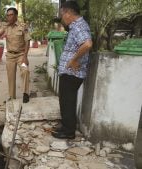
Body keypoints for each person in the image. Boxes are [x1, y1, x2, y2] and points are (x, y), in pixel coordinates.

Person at [52, 1, 92, 139]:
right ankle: (66, 127)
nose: (62, 18)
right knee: (66, 101)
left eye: (62, 15)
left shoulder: (79, 26)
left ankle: (68, 132)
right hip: (69, 72)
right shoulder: (75, 26)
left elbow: (87, 44)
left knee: (68, 101)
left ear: (68, 13)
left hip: (72, 73)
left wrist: (74, 60)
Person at [0, 7, 30, 103]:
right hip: (10, 56)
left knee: (25, 70)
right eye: (7, 15)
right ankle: (12, 97)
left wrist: (25, 57)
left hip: (21, 55)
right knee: (11, 77)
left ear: (16, 16)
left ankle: (26, 93)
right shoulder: (5, 26)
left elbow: (27, 41)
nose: (9, 17)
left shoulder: (23, 26)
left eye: (11, 15)